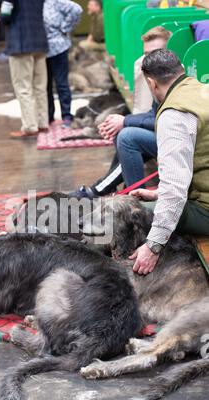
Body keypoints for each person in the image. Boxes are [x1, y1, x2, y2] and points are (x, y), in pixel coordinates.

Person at [129, 49, 209, 275]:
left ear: (152, 83)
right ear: (181, 69)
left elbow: (174, 191)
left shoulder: (175, 115)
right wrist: (159, 192)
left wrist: (153, 246)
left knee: (133, 213)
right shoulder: (204, 89)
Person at [70, 26, 172, 199]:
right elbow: (154, 114)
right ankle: (128, 192)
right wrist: (122, 120)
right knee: (122, 133)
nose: (149, 59)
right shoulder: (159, 75)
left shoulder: (174, 75)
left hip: (182, 140)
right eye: (146, 54)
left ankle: (109, 191)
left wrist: (125, 122)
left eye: (156, 52)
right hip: (167, 135)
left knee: (128, 136)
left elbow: (164, 120)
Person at [7, 0, 49, 139]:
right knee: (40, 87)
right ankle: (42, 122)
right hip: (40, 40)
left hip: (20, 42)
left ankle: (30, 126)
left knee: (23, 87)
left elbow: (5, 14)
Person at [44, 0, 82, 128]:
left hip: (58, 47)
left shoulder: (55, 2)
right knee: (45, 85)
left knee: (61, 83)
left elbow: (76, 9)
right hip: (41, 50)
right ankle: (49, 116)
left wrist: (65, 27)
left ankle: (66, 115)